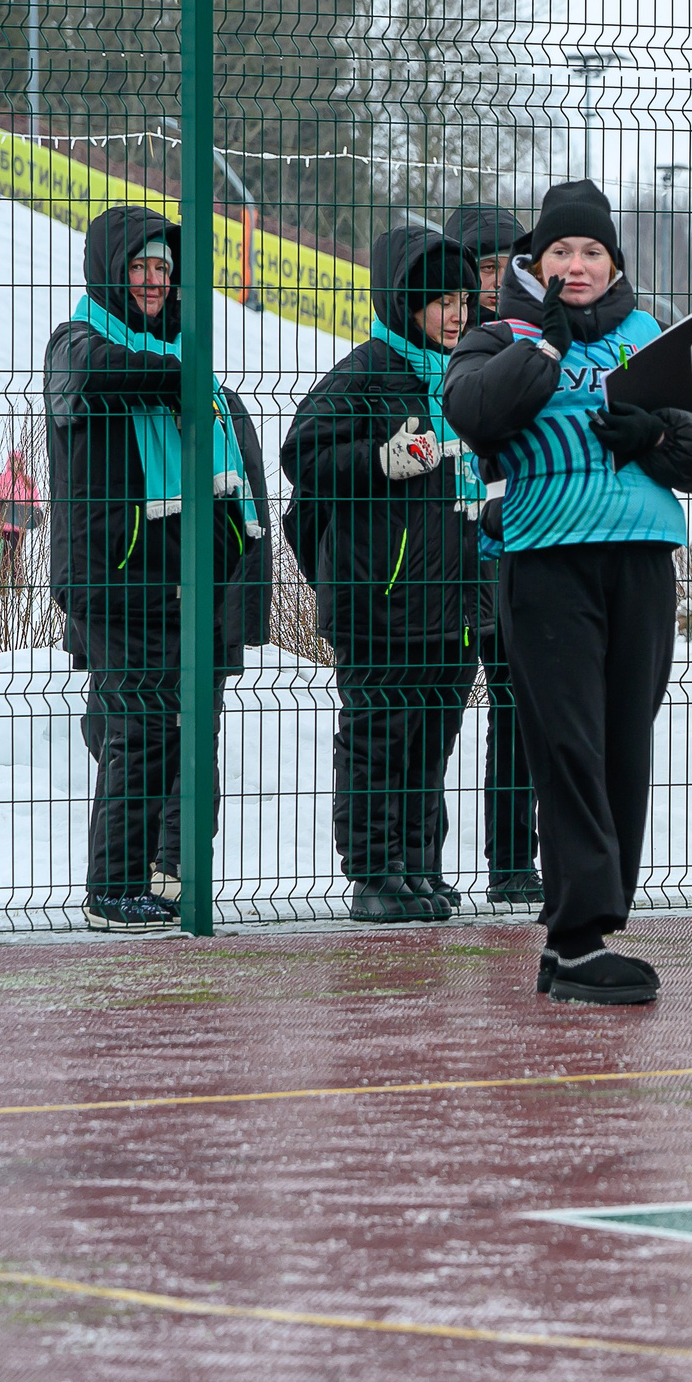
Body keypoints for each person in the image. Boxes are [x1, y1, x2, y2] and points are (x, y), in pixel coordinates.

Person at [446, 179, 692, 1004]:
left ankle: (591, 932)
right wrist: (542, 345)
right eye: (561, 252)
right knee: (567, 744)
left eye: (592, 252)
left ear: (614, 263)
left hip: (642, 561)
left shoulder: (652, 340)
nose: (576, 265)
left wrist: (659, 430)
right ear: (534, 263)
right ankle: (574, 937)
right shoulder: (497, 332)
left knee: (622, 744)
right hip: (546, 561)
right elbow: (474, 411)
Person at [45, 206, 273, 933]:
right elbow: (100, 378)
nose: (152, 282)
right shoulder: (77, 342)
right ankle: (111, 887)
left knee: (166, 733)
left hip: (173, 579)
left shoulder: (183, 359)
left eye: (163, 272)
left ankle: (145, 875)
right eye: (140, 268)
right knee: (137, 729)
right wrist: (179, 374)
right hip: (116, 577)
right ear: (112, 272)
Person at [283, 227, 489, 924]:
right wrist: (379, 459)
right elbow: (302, 454)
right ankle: (373, 872)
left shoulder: (466, 374)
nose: (457, 313)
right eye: (441, 301)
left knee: (431, 740)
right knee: (377, 739)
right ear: (406, 302)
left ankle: (419, 867)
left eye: (463, 299)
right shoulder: (366, 372)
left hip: (454, 602)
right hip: (382, 600)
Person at [443, 200, 542, 901]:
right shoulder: (444, 340)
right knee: (435, 712)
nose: (496, 278)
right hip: (447, 562)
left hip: (512, 553)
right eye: (483, 266)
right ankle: (419, 867)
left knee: (518, 711)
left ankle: (513, 865)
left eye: (510, 264)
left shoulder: (528, 342)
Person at [446, 202, 528, 325]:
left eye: (513, 268)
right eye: (488, 267)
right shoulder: (440, 336)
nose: (502, 283)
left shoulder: (545, 333)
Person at [0, 450, 43, 590]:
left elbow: (35, 503)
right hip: (1, 525)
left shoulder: (28, 482)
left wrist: (29, 520)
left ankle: (17, 584)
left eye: (18, 460)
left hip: (19, 527)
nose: (16, 463)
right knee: (1, 555)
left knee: (16, 555)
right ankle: (0, 584)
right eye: (13, 460)